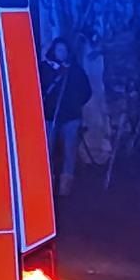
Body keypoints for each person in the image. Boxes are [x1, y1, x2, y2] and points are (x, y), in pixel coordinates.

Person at [40, 38, 91, 198]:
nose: (61, 53)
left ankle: (65, 187)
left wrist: (73, 105)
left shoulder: (75, 71)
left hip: (71, 118)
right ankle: (46, 183)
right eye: (58, 50)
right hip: (49, 117)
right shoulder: (44, 69)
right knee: (47, 151)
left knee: (70, 152)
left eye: (64, 50)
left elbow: (86, 92)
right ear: (53, 50)